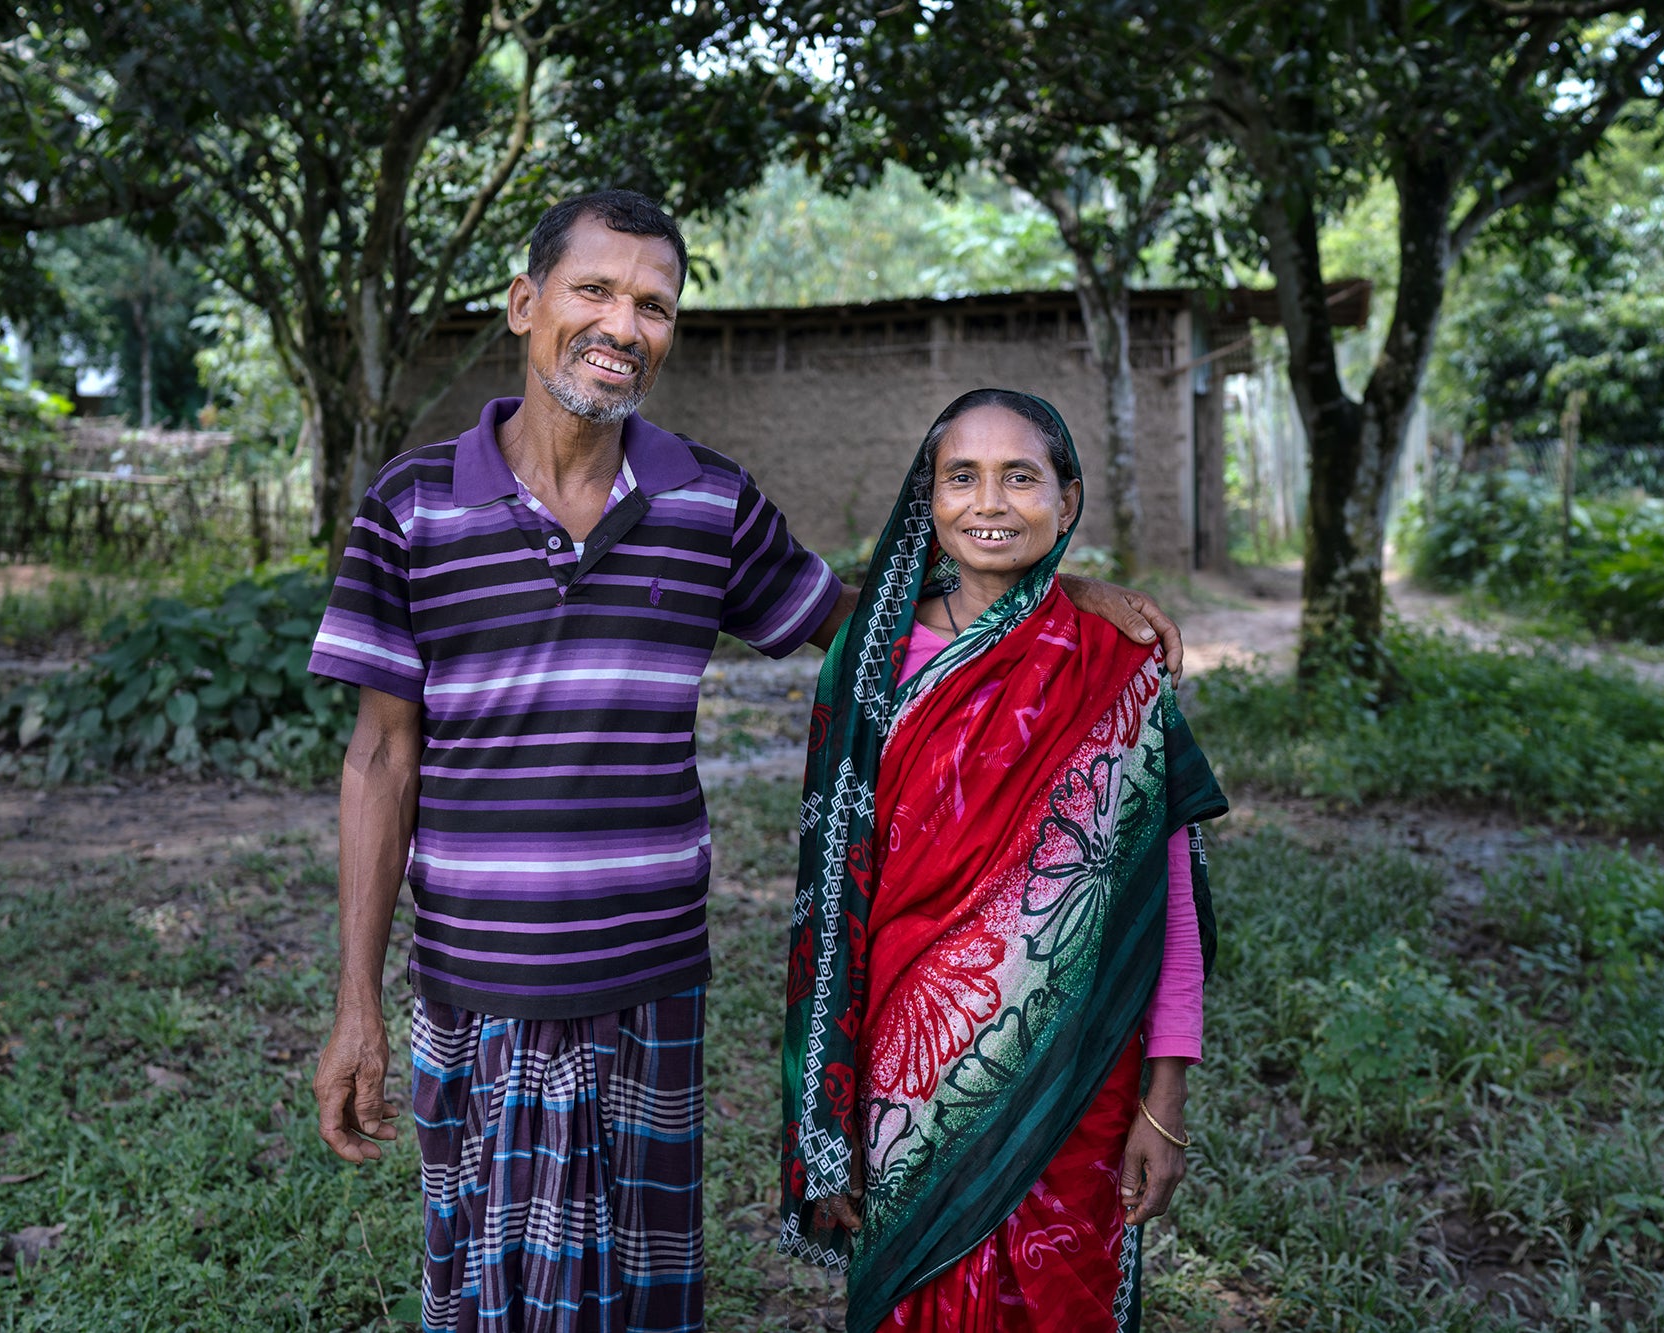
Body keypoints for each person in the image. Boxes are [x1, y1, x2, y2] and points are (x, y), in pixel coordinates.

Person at [306, 190, 1187, 1333]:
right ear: (526, 304)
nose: (624, 324)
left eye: (655, 305)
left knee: (643, 1290)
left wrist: (1053, 592)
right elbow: (380, 756)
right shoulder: (412, 506)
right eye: (595, 291)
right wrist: (354, 1002)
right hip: (476, 986)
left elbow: (870, 630)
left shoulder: (704, 499)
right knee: (484, 1292)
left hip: (652, 982)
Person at [779, 389, 1228, 1333]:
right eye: (963, 477)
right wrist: (825, 1117)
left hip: (1079, 1070)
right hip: (905, 1076)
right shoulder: (870, 663)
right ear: (928, 502)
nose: (991, 500)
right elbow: (829, 902)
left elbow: (1168, 895)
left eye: (1021, 476)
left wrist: (1167, 1089)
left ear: (1068, 501)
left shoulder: (1116, 659)